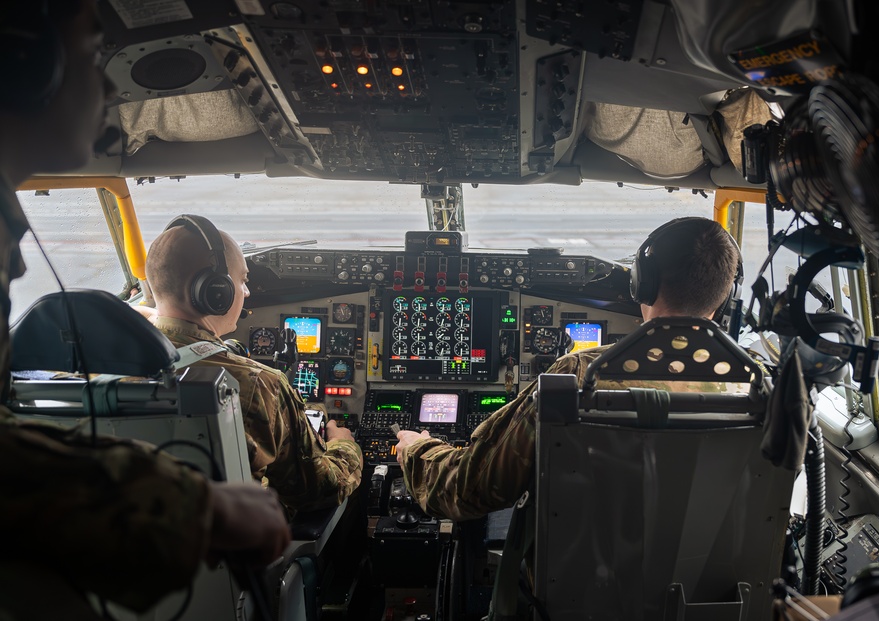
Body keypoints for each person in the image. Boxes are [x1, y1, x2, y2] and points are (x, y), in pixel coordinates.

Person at [0, 2, 291, 618]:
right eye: (90, 55)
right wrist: (196, 507)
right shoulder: (252, 383)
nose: (110, 86)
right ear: (31, 65)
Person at [395, 217, 742, 520]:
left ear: (642, 284)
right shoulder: (756, 384)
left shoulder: (580, 375)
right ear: (725, 296)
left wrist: (415, 450)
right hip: (707, 590)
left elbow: (469, 491)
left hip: (582, 590)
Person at [144, 216, 363, 512]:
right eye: (243, 280)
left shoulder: (93, 365)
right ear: (214, 290)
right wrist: (344, 445)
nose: (246, 293)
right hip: (222, 547)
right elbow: (318, 491)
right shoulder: (258, 384)